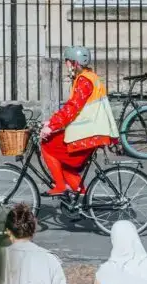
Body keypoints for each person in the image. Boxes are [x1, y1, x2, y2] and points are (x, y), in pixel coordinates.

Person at [39, 46, 119, 196]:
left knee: (47, 145)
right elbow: (77, 110)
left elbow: (73, 107)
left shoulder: (84, 81)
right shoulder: (89, 76)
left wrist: (52, 127)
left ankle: (61, 186)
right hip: (92, 131)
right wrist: (51, 123)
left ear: (74, 63)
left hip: (89, 133)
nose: (67, 65)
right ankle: (81, 194)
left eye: (68, 62)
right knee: (64, 159)